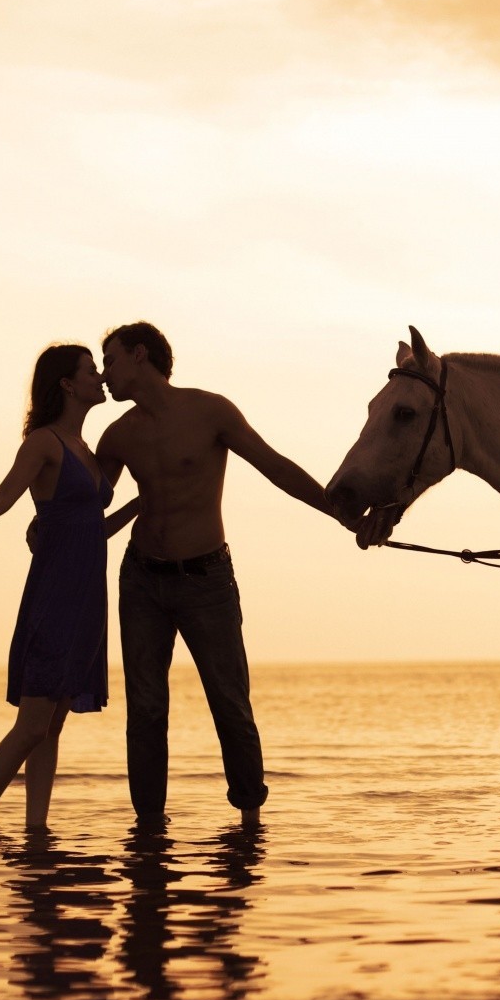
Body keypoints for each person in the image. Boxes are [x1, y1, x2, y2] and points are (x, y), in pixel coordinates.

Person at [95, 322, 332, 827]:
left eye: (110, 359)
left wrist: (340, 510)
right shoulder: (117, 437)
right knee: (146, 710)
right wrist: (52, 527)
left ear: (140, 355)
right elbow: (87, 511)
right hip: (141, 580)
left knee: (229, 701)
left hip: (207, 580)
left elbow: (275, 467)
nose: (104, 372)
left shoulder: (209, 411)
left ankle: (250, 820)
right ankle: (149, 827)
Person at [0, 345, 138, 831]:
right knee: (31, 726)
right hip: (55, 594)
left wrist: (143, 504)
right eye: (90, 371)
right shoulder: (44, 443)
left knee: (52, 726)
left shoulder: (86, 449)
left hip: (88, 599)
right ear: (66, 383)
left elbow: (92, 527)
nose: (100, 377)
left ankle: (35, 829)